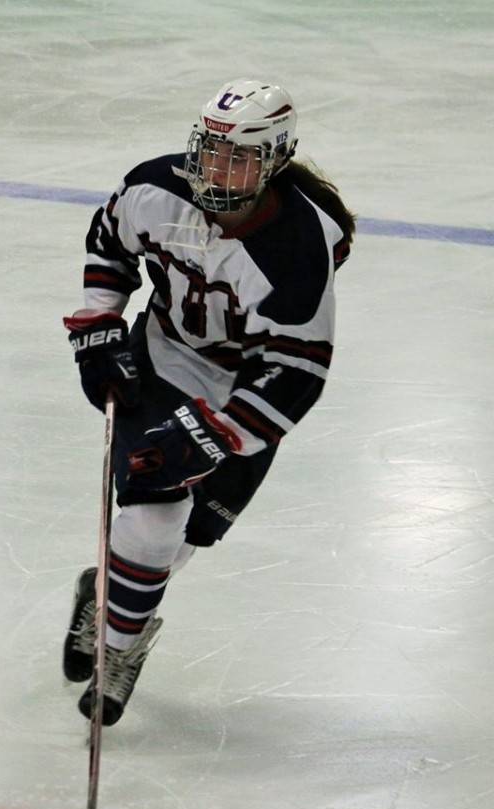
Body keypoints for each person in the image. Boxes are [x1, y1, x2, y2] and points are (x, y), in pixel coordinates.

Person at [61, 78, 355, 725]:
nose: (217, 170)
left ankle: (106, 590)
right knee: (154, 519)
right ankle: (118, 654)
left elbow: (297, 372)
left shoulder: (300, 249)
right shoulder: (155, 188)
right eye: (211, 150)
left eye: (240, 157)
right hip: (163, 363)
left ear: (274, 160)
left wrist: (216, 435)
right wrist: (100, 327)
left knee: (188, 536)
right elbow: (110, 243)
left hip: (248, 392)